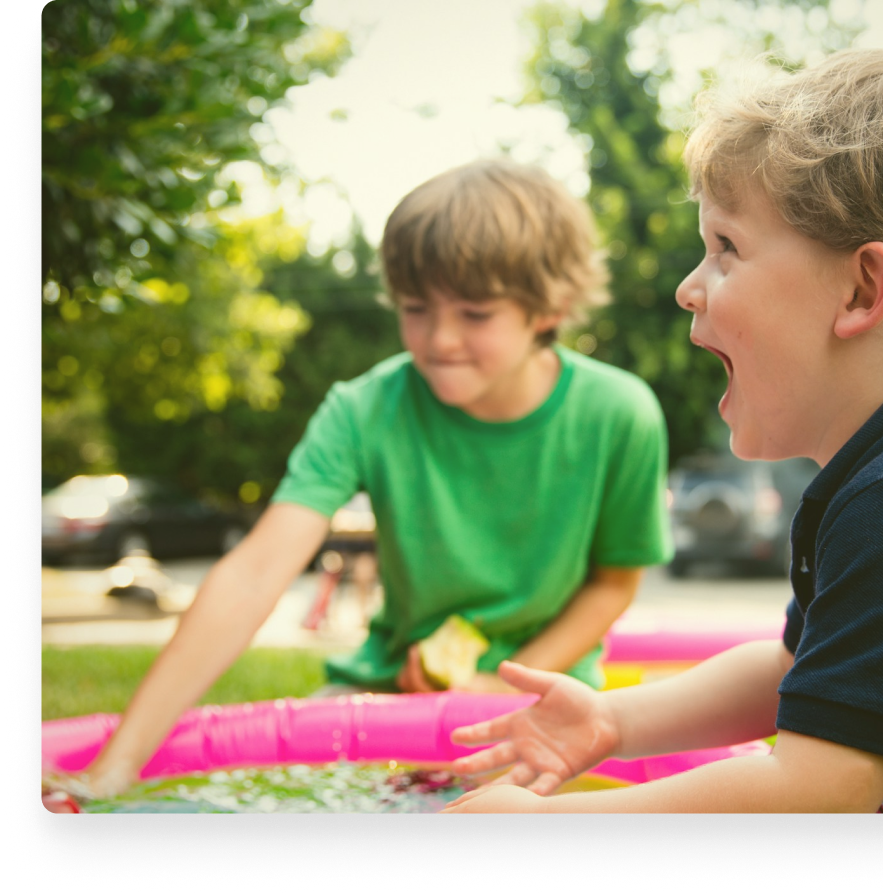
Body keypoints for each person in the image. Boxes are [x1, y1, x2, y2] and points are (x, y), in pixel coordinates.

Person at [440, 49, 883, 814]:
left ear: (863, 289)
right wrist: (611, 720)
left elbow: (815, 793)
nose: (688, 287)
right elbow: (794, 669)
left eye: (726, 248)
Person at [76, 159, 673, 797]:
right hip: (385, 691)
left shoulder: (621, 414)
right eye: (416, 309)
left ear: (548, 307)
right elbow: (253, 575)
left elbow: (613, 583)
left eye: (475, 314)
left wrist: (503, 682)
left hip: (543, 699)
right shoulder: (363, 408)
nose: (440, 338)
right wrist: (117, 764)